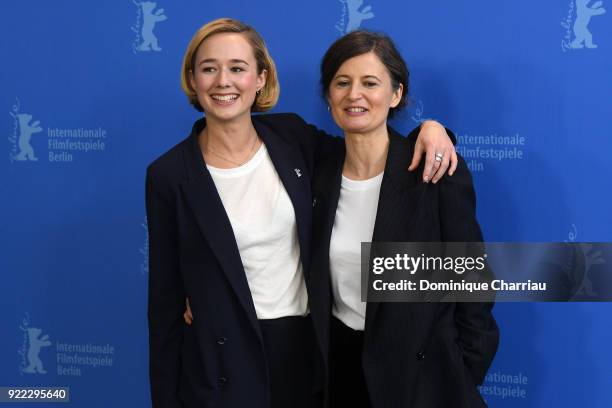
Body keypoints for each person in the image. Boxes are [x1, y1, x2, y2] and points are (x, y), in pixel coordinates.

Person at [149, 18, 455, 408]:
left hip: (308, 354)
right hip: (222, 365)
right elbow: (163, 307)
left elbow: (371, 146)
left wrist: (432, 129)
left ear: (261, 78)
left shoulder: (292, 139)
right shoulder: (169, 175)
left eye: (238, 68)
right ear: (193, 79)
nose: (223, 81)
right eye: (209, 68)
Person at [308, 31, 500, 408]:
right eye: (342, 83)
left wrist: (462, 374)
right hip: (342, 372)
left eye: (370, 83)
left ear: (395, 94)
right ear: (328, 97)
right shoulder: (316, 170)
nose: (354, 95)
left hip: (424, 381)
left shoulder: (432, 171)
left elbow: (472, 282)